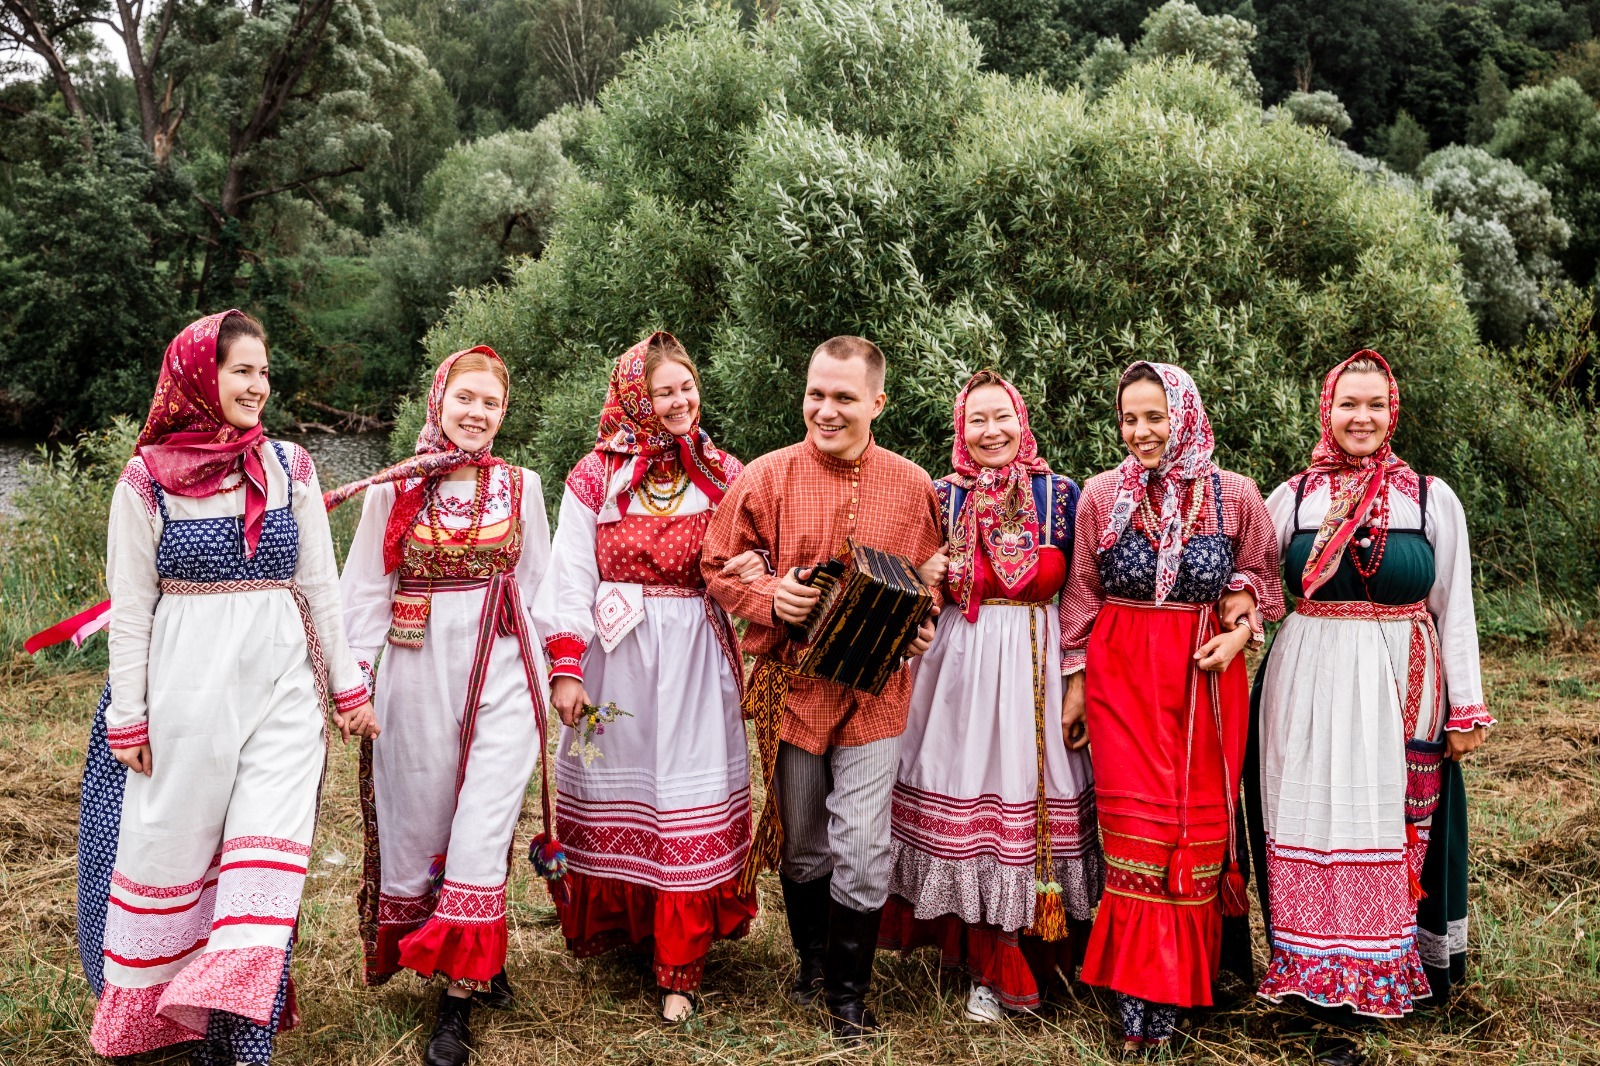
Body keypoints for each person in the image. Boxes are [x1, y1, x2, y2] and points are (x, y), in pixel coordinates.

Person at [76, 310, 377, 1064]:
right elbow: (134, 611)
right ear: (197, 377)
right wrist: (130, 716)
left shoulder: (290, 467)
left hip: (282, 690)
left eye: (265, 372)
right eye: (242, 370)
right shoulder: (144, 482)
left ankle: (243, 1043)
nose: (258, 385)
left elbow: (320, 585)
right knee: (178, 859)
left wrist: (347, 689)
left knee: (261, 873)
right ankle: (177, 1020)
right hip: (187, 695)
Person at [700, 336, 944, 1042]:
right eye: (816, 393)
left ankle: (847, 991)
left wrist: (920, 625)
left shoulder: (913, 484)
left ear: (877, 402)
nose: (826, 410)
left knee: (863, 844)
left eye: (843, 397)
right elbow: (716, 566)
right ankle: (810, 962)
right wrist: (773, 596)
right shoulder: (765, 477)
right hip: (790, 689)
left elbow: (928, 580)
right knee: (805, 839)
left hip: (875, 695)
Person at [1247, 351, 1490, 1040]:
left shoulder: (1429, 497)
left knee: (1382, 820)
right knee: (1312, 815)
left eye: (1375, 405)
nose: (1362, 418)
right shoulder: (1292, 497)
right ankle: (1312, 972)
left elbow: (1456, 606)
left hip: (1398, 676)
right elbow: (1258, 584)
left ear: (1392, 411)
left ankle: (1381, 969)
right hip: (1308, 674)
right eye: (1349, 405)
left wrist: (1465, 705)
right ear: (1328, 410)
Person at [530, 332, 768, 1024]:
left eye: (686, 386)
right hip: (618, 658)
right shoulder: (594, 477)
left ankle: (681, 965)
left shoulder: (725, 472)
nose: (680, 400)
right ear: (636, 399)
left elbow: (757, 553)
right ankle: (627, 928)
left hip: (695, 653)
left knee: (685, 796)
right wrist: (568, 670)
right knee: (623, 789)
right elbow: (570, 574)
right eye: (663, 391)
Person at [332, 346, 553, 1066]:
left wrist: (552, 680)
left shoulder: (524, 486)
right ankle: (470, 956)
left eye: (490, 403)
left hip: (502, 670)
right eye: (466, 398)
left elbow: (541, 592)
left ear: (503, 414)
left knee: (484, 823)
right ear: (439, 399)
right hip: (417, 673)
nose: (477, 413)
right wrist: (354, 682)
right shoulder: (391, 490)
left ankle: (455, 1005)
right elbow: (363, 591)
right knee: (424, 822)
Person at [1058, 361, 1283, 1058]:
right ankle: (1136, 1001)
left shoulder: (1236, 494)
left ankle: (1180, 990)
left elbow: (1264, 581)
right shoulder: (1100, 495)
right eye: (1129, 418)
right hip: (1122, 675)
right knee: (1134, 836)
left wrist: (1239, 634)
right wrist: (1075, 684)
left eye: (1154, 416)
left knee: (1194, 831)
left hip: (1205, 678)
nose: (1141, 431)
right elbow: (1083, 596)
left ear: (1184, 413)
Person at [879, 370, 1103, 1021]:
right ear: (961, 428)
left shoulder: (1062, 494)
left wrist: (1076, 680)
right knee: (968, 806)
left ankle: (1039, 955)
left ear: (1021, 419)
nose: (990, 431)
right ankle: (984, 960)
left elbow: (1082, 592)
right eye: (976, 420)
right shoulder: (941, 495)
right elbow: (919, 580)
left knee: (1030, 811)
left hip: (1035, 661)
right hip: (959, 669)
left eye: (1000, 416)